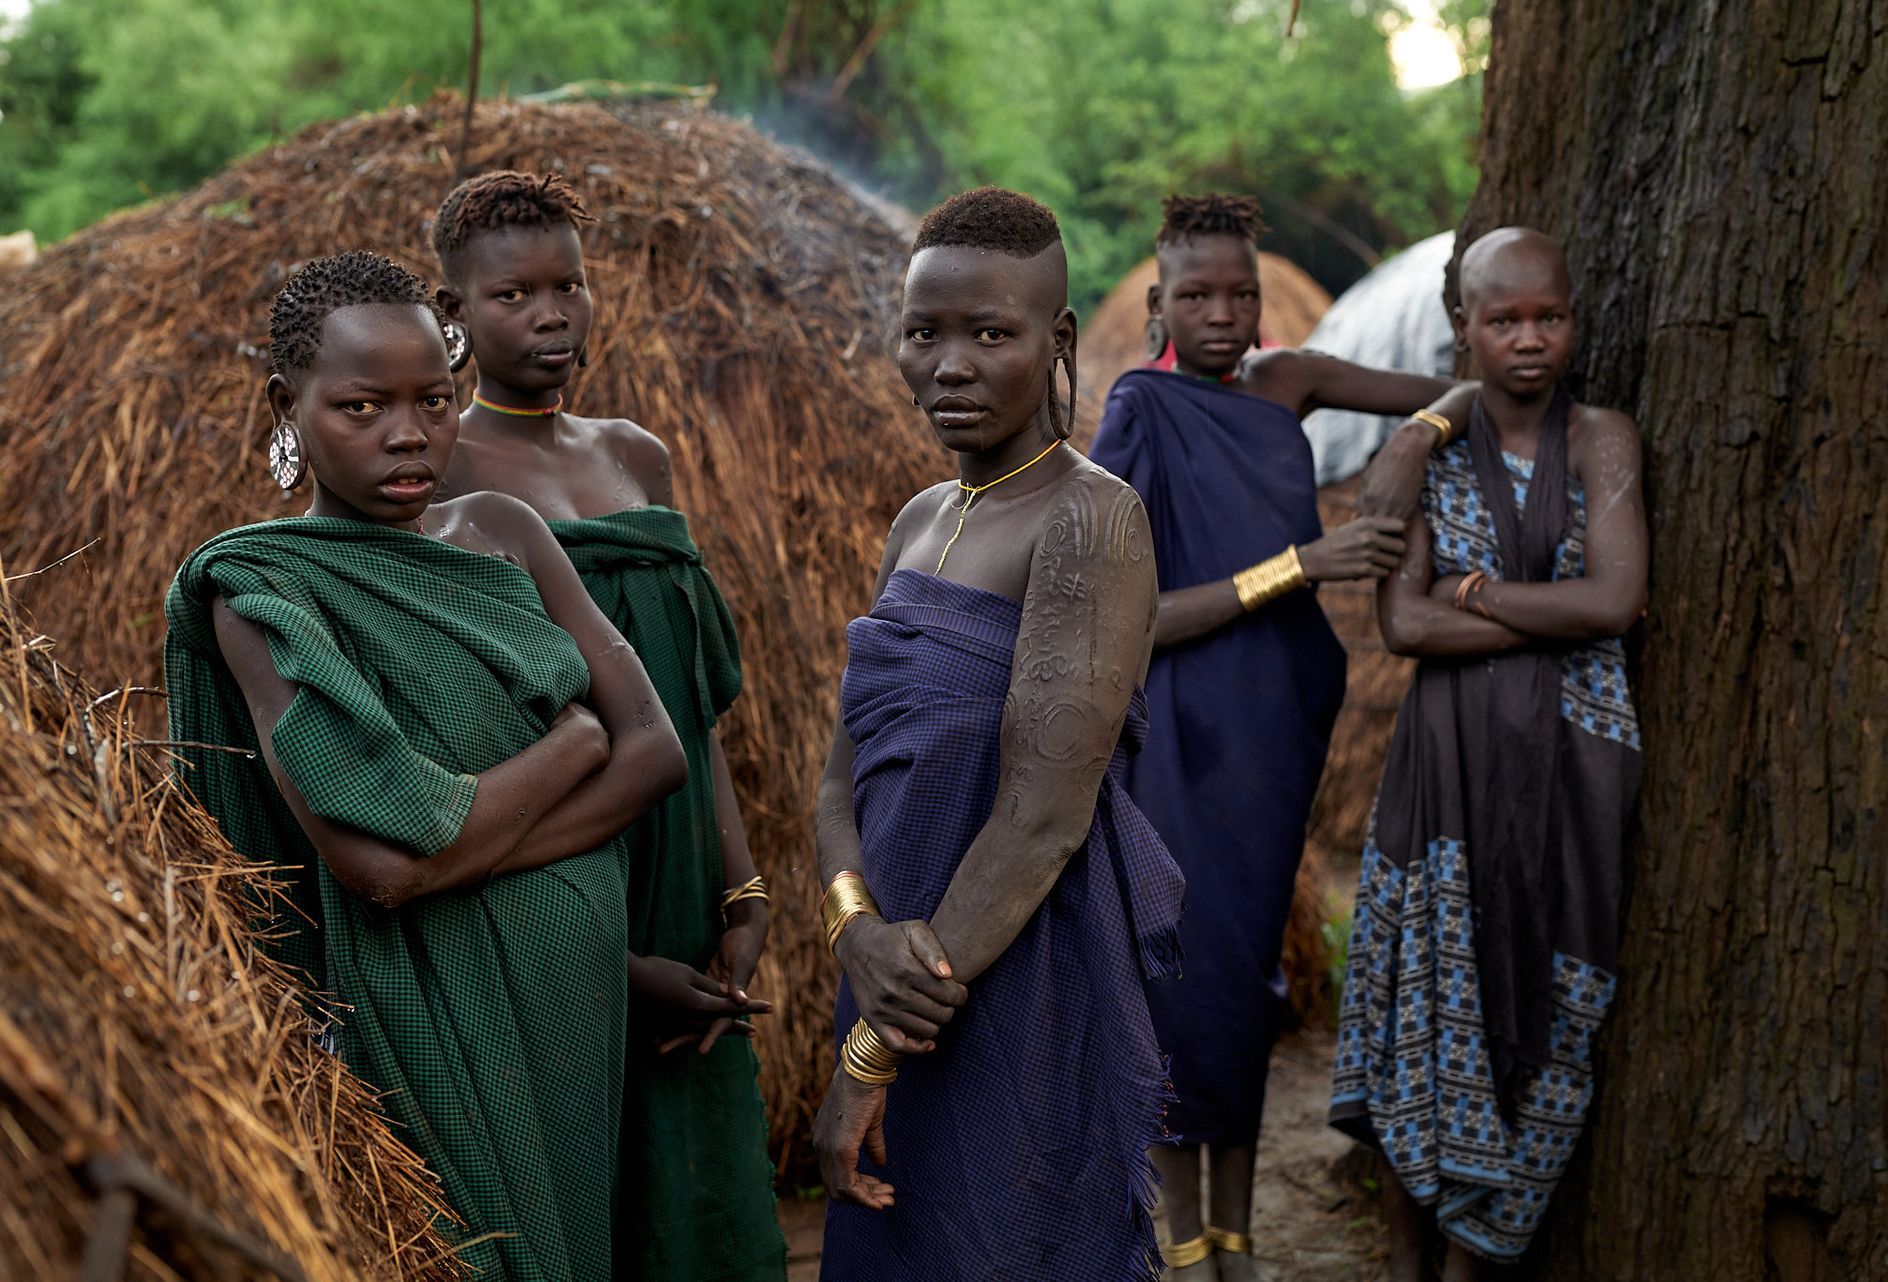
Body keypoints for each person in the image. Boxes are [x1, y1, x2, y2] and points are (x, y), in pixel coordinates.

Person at [164, 251, 691, 1279]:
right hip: (416, 999)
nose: (407, 435)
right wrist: (571, 746)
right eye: (362, 406)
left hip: (567, 987)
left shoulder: (501, 531)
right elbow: (379, 867)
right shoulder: (261, 588)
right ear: (289, 406)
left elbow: (657, 749)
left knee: (574, 1247)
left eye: (433, 401)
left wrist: (465, 840)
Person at [810, 187, 1185, 1280]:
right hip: (891, 970)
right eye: (925, 332)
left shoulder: (1093, 517)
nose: (951, 364)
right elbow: (841, 776)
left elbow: (1041, 815)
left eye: (991, 333)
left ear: (1057, 339)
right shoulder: (919, 521)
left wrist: (876, 1043)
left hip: (1014, 988)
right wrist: (855, 936)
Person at [1087, 192, 1459, 1280]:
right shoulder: (1139, 411)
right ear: (1158, 300)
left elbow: (1471, 387)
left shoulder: (1287, 382)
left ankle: (1235, 1241)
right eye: (1196, 294)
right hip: (1179, 730)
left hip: (1275, 725)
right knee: (1180, 977)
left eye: (1241, 291)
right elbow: (1133, 613)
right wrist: (1299, 567)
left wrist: (1415, 443)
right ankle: (1181, 1241)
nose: (1223, 312)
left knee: (1248, 976)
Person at [427, 170, 786, 1279]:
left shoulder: (638, 455)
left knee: (699, 1190)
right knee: (585, 1181)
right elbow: (472, 736)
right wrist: (620, 962)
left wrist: (740, 892)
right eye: (512, 294)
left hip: (680, 887)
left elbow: (694, 704)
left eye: (569, 286)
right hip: (552, 885)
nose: (549, 315)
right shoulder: (437, 475)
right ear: (454, 314)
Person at [1330, 227, 1646, 1280]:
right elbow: (1405, 630)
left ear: (1572, 316)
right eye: (1502, 319)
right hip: (1449, 765)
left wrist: (1471, 593)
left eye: (1546, 317)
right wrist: (1553, 615)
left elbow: (1616, 598)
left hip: (1576, 764)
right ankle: (1415, 1243)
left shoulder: (1603, 438)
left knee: (1558, 988)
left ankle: (1481, 1252)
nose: (1527, 339)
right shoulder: (1426, 454)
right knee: (1436, 988)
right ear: (1463, 326)